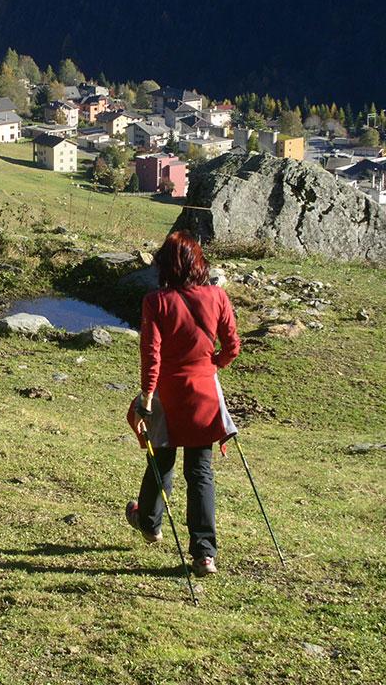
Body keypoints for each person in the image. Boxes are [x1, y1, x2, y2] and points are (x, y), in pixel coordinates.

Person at [125, 230, 241, 577]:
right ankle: (204, 553)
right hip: (204, 393)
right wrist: (212, 367)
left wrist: (146, 395)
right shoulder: (217, 296)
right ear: (197, 263)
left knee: (161, 459)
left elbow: (151, 355)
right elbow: (232, 346)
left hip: (167, 393)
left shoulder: (156, 302)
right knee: (200, 471)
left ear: (166, 265)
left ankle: (148, 522)